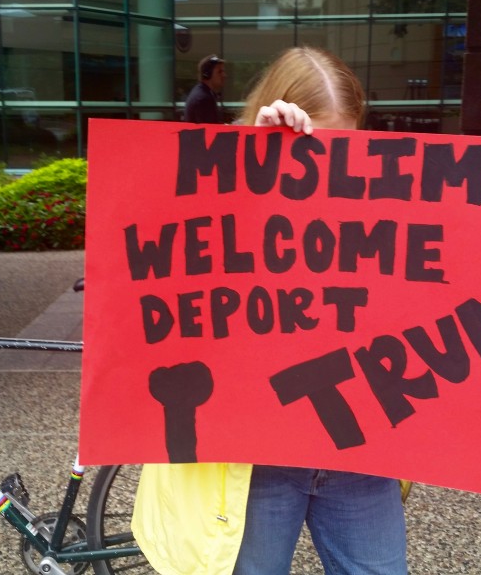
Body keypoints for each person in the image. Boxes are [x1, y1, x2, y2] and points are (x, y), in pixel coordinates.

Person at [132, 47, 408, 575]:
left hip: (355, 449)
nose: (327, 165)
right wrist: (247, 164)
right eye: (314, 146)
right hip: (251, 460)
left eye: (341, 147)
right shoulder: (210, 182)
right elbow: (170, 263)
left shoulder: (383, 198)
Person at [182, 54, 226, 124]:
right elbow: (211, 131)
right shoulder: (203, 98)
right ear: (207, 74)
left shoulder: (203, 93)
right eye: (219, 72)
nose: (224, 75)